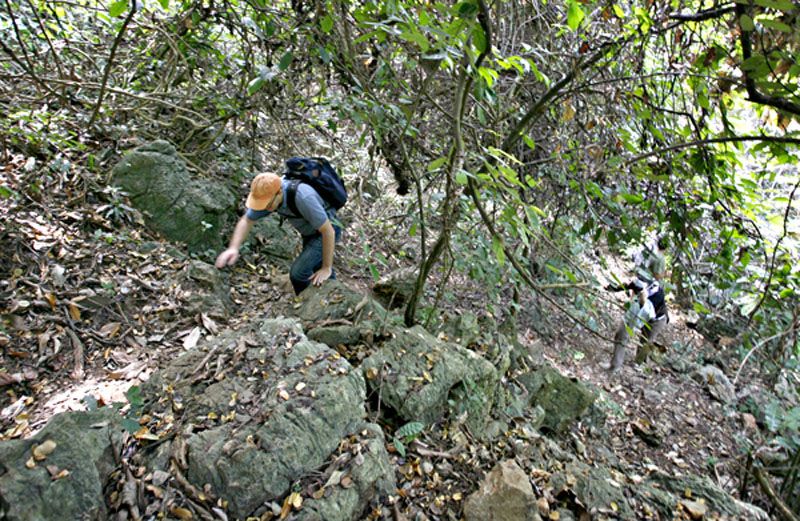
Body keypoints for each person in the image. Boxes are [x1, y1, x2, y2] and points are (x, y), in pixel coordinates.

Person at [215, 172, 342, 294]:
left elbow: (328, 231)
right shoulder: (271, 196)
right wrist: (233, 248)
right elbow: (247, 219)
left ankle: (310, 303)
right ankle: (333, 298)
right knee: (315, 267)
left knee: (298, 273)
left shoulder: (303, 197)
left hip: (327, 231)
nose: (265, 208)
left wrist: (327, 268)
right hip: (310, 232)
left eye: (268, 204)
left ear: (280, 192)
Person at [607, 236, 669, 371]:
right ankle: (615, 366)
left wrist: (640, 302)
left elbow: (644, 303)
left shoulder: (654, 289)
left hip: (658, 317)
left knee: (646, 342)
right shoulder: (641, 280)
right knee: (622, 333)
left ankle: (638, 365)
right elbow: (628, 285)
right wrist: (612, 288)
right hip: (644, 307)